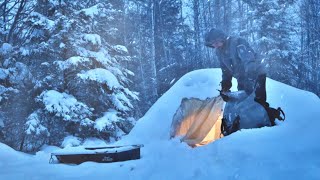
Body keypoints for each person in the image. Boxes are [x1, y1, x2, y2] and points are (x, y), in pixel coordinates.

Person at [204, 28, 267, 105]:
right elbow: (225, 71)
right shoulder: (219, 52)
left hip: (256, 74)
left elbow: (249, 61)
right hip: (241, 77)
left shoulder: (237, 42)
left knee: (257, 102)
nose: (215, 45)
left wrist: (250, 80)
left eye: (216, 41)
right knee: (243, 102)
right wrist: (225, 88)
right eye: (212, 43)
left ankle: (263, 114)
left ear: (222, 37)